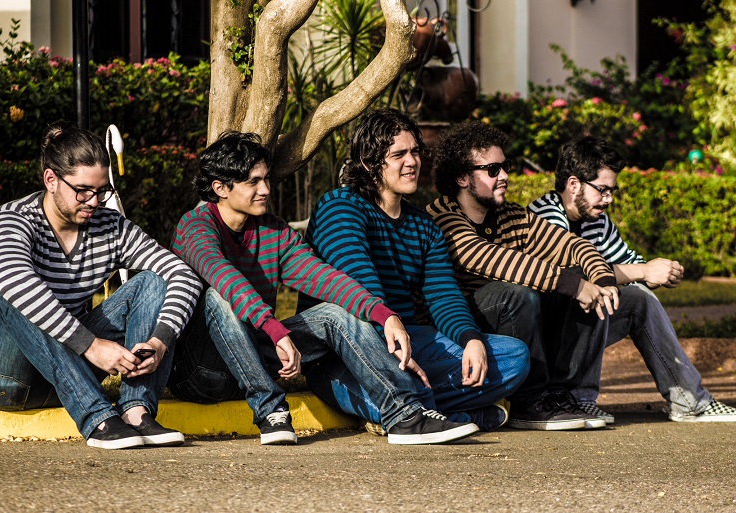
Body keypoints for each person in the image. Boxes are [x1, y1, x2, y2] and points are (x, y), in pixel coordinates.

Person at [168, 131, 480, 445]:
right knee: (219, 296)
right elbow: (227, 279)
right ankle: (271, 411)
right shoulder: (195, 227)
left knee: (335, 313)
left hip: (256, 359)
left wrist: (384, 315)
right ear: (220, 188)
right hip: (202, 372)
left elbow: (325, 278)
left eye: (266, 179)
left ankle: (405, 415)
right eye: (253, 182)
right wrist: (275, 329)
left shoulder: (273, 231)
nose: (265, 189)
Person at [0, 121, 202, 449]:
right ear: (51, 180)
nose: (94, 201)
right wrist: (92, 346)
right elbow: (14, 281)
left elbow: (183, 275)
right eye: (83, 190)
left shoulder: (111, 227)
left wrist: (159, 341)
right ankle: (98, 418)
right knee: (15, 291)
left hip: (68, 374)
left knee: (153, 282)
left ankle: (136, 411)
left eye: (101, 191)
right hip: (1, 379)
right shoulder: (13, 219)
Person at [299, 109, 530, 432]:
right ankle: (454, 415)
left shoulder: (424, 226)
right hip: (343, 354)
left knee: (514, 356)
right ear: (368, 162)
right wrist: (390, 334)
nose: (412, 162)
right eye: (399, 155)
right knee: (391, 389)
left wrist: (471, 339)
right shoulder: (340, 206)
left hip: (408, 339)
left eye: (415, 152)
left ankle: (420, 406)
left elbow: (444, 297)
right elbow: (358, 284)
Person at [426, 121, 620, 430]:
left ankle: (559, 394)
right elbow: (489, 258)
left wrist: (601, 279)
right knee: (517, 293)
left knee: (571, 280)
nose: (504, 176)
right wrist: (572, 284)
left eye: (506, 167)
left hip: (506, 320)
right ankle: (528, 402)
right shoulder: (441, 217)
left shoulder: (513, 216)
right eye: (493, 170)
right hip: (457, 326)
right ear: (462, 177)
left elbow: (571, 245)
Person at [528, 135, 736, 422]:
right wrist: (643, 271)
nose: (609, 199)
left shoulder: (597, 220)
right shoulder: (543, 215)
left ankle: (690, 402)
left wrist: (659, 273)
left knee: (639, 298)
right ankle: (577, 398)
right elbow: (569, 275)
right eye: (602, 190)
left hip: (573, 332)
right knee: (596, 291)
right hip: (542, 338)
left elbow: (629, 264)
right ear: (574, 184)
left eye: (612, 190)